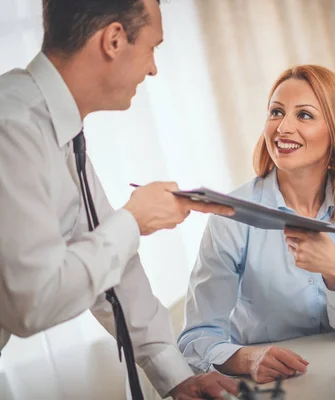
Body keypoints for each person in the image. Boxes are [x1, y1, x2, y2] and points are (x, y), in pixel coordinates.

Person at [0, 0, 239, 399]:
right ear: (113, 39)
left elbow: (101, 254)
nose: (153, 68)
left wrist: (177, 377)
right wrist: (134, 221)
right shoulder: (13, 126)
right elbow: (33, 302)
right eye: (152, 47)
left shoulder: (57, 128)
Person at [178, 65, 335, 384]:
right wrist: (247, 358)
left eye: (304, 115)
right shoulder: (231, 217)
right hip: (270, 387)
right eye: (276, 112)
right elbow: (195, 340)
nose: (283, 127)